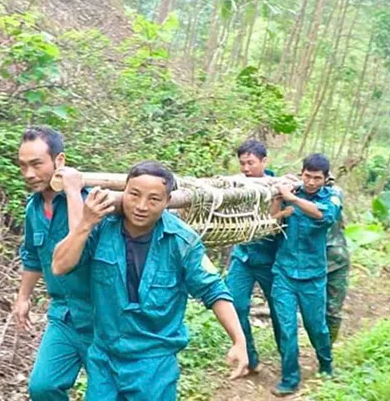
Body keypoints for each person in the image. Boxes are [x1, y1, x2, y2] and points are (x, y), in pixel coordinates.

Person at [52, 161, 249, 400]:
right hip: (104, 358)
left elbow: (213, 290)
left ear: (167, 202)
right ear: (124, 193)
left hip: (154, 363)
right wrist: (85, 223)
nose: (141, 206)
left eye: (154, 199)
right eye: (134, 195)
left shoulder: (181, 242)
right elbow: (60, 265)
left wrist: (239, 340)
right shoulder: (101, 228)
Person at [14, 127, 92, 401]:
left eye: (36, 164)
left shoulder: (88, 200)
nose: (29, 174)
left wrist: (72, 192)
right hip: (63, 313)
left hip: (101, 315)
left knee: (106, 392)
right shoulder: (33, 208)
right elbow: (33, 255)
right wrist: (23, 297)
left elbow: (82, 240)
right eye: (23, 165)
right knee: (43, 387)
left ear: (59, 161)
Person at [270, 153, 341, 396]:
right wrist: (280, 199)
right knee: (287, 328)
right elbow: (272, 221)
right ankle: (290, 378)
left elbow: (325, 215)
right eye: (307, 176)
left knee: (316, 326)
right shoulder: (293, 193)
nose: (311, 182)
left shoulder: (332, 197)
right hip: (284, 273)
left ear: (325, 179)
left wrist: (293, 200)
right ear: (301, 173)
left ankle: (326, 363)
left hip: (313, 275)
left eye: (316, 178)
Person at [225, 140, 282, 374]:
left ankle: (288, 361)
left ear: (264, 161)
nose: (246, 168)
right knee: (235, 305)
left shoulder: (279, 186)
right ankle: (249, 358)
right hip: (243, 257)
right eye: (242, 164)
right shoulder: (238, 185)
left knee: (280, 311)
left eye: (251, 163)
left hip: (271, 260)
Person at [325, 173, 351, 344]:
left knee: (333, 309)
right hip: (310, 261)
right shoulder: (300, 194)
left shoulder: (334, 194)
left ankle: (327, 349)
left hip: (336, 260)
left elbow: (330, 213)